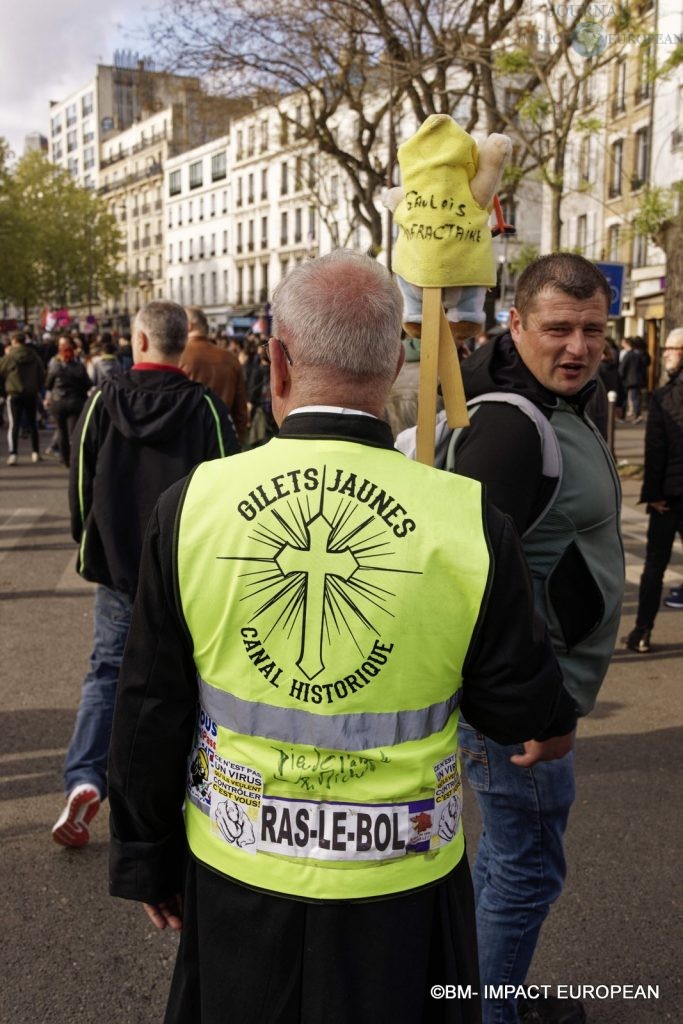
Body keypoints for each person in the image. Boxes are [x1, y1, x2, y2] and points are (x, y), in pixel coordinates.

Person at [108, 251, 568, 1024]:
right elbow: (518, 703)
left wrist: (147, 856)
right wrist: (549, 721)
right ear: (394, 361)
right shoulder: (464, 515)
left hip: (238, 866)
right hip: (401, 884)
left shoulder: (195, 505)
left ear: (278, 362)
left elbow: (149, 700)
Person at [451, 253, 624, 1024]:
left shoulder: (565, 400)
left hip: (533, 696)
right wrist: (542, 710)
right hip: (524, 705)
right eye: (557, 328)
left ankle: (489, 998)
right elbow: (473, 587)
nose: (577, 348)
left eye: (593, 330)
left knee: (505, 861)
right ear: (513, 323)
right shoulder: (509, 428)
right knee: (525, 869)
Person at [52, 301, 238, 849]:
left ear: (137, 341)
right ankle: (183, 793)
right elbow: (228, 489)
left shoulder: (100, 402)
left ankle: (86, 778)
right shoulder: (204, 409)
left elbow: (81, 483)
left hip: (119, 566)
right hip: (185, 568)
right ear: (182, 344)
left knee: (107, 672)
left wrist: (90, 540)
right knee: (189, 683)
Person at [625, 328, 683, 651]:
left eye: (669, 350)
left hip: (668, 499)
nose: (665, 355)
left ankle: (642, 631)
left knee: (655, 566)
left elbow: (655, 450)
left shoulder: (665, 397)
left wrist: (653, 493)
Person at [180, 306, 248, 444]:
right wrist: (238, 441)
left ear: (188, 326)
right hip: (224, 441)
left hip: (189, 444)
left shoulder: (178, 357)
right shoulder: (230, 358)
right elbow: (241, 410)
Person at [44, 337, 91, 467]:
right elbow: (88, 384)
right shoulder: (79, 367)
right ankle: (75, 457)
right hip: (75, 402)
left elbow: (47, 384)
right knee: (74, 432)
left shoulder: (55, 367)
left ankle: (65, 459)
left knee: (61, 431)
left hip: (58, 402)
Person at [0, 330, 45, 465]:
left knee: (14, 424)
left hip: (14, 393)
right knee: (33, 423)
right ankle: (35, 452)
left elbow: (1, 373)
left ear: (14, 341)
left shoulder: (10, 357)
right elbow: (41, 373)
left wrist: (3, 391)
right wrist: (37, 388)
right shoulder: (34, 355)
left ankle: (13, 453)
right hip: (31, 393)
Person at [619, 335, 647, 421]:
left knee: (628, 398)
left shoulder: (627, 355)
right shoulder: (637, 354)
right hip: (637, 379)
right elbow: (643, 367)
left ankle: (630, 416)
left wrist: (620, 377)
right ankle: (637, 414)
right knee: (636, 397)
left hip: (628, 380)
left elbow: (622, 368)